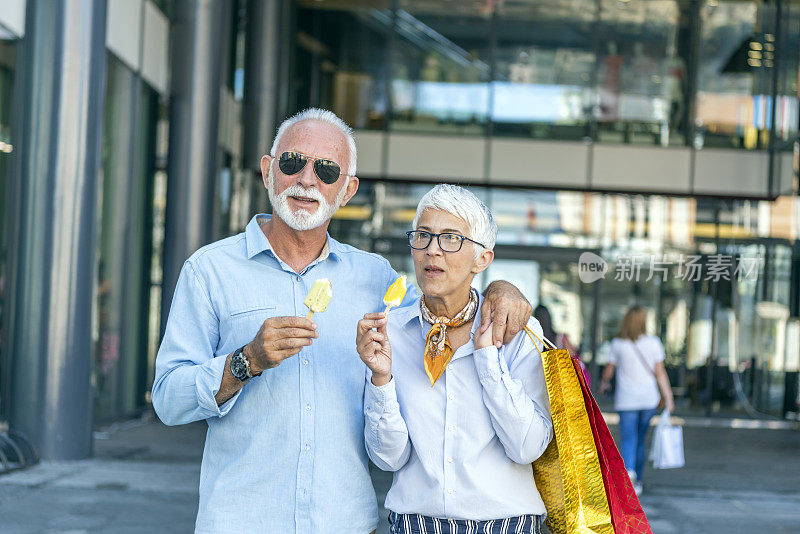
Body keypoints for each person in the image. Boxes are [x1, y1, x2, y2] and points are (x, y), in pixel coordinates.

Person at [152, 108, 534, 533]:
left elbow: (448, 298)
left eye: (327, 170)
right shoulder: (209, 271)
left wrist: (501, 288)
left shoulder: (377, 280)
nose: (307, 180)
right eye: (293, 163)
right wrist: (246, 361)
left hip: (344, 522)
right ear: (268, 171)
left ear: (347, 190)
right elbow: (169, 400)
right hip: (241, 520)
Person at [356, 184, 552, 533]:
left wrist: (488, 359)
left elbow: (527, 447)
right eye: (424, 236)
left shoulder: (517, 331)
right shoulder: (391, 334)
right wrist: (381, 379)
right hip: (416, 523)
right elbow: (388, 458)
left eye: (451, 239)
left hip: (506, 524)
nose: (433, 250)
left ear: (482, 258)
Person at [599, 305, 674, 496]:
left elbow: (609, 369)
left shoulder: (618, 343)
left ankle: (630, 473)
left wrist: (604, 382)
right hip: (648, 400)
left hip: (626, 400)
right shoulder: (653, 343)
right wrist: (668, 397)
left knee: (628, 439)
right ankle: (637, 480)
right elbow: (660, 373)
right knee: (641, 440)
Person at [533, 303, 590, 388]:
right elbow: (574, 358)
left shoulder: (533, 338)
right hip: (559, 385)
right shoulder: (560, 338)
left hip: (538, 381)